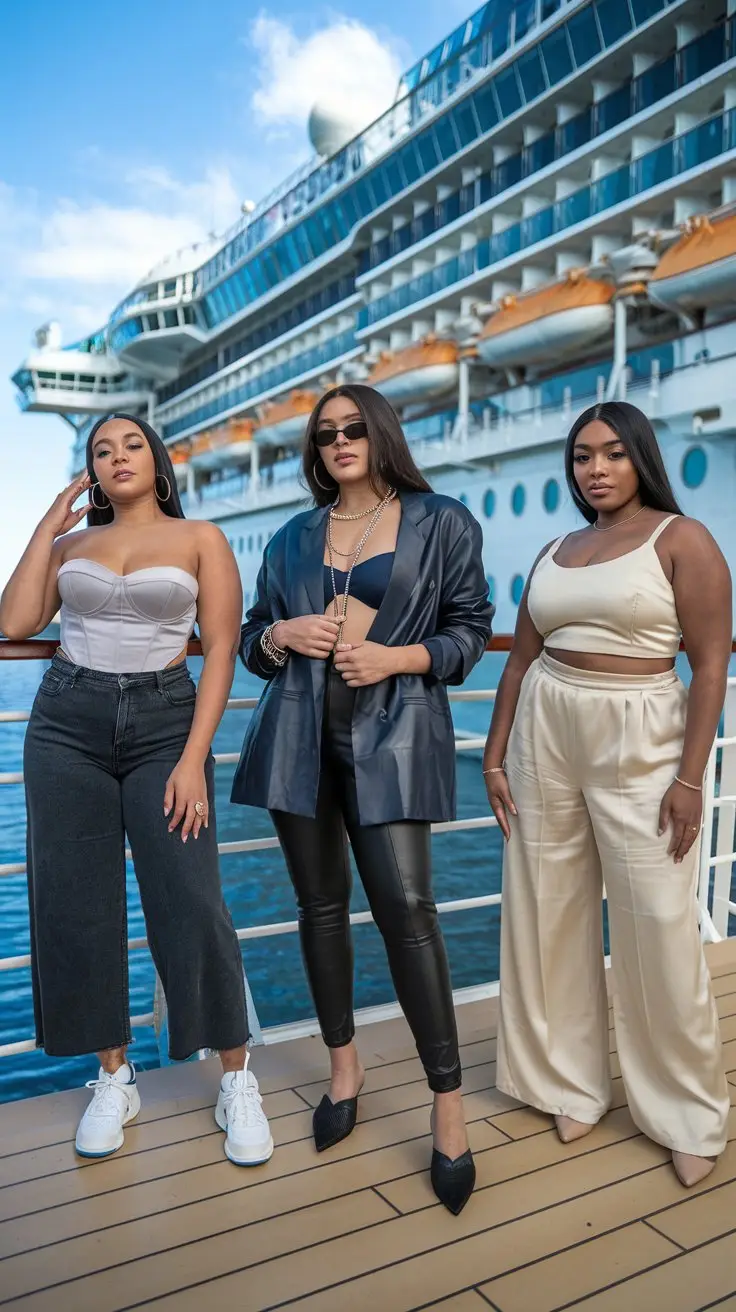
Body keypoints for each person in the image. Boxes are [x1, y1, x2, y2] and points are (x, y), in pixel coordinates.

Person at [232, 384, 493, 1214]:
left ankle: (447, 1110)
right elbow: (249, 639)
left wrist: (397, 657)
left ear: (380, 433)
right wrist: (278, 636)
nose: (339, 441)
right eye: (325, 435)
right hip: (298, 740)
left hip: (396, 735)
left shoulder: (441, 519)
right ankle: (344, 1072)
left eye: (352, 428)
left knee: (410, 912)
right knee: (317, 908)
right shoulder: (290, 537)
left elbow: (471, 631)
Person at [0, 413, 272, 1166]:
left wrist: (193, 758)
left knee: (191, 897)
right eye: (101, 450)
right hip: (66, 723)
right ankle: (113, 1076)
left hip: (164, 724)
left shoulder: (201, 540)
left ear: (158, 460)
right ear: (90, 471)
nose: (117, 457)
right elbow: (17, 619)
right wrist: (48, 525)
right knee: (74, 901)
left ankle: (235, 1074)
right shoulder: (70, 544)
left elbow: (220, 651)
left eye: (131, 445)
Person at [483, 400, 731, 1189]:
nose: (596, 468)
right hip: (545, 727)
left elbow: (712, 665)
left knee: (657, 918)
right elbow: (520, 660)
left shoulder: (682, 539)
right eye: (584, 455)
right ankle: (567, 1081)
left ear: (641, 459)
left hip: (643, 733)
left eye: (613, 454)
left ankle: (685, 1112)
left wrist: (691, 778)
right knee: (548, 908)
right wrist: (493, 755)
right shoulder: (557, 548)